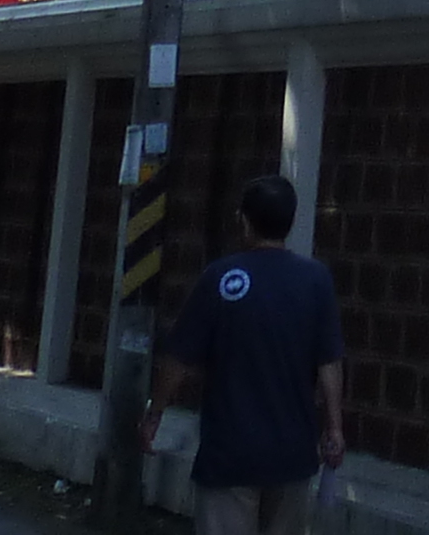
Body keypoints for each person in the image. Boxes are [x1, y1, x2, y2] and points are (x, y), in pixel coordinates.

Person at [143, 174, 346, 535]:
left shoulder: (220, 278)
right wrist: (334, 428)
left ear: (244, 220)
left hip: (229, 456)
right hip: (292, 456)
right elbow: (329, 362)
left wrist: (154, 413)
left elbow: (177, 359)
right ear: (290, 221)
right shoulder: (317, 281)